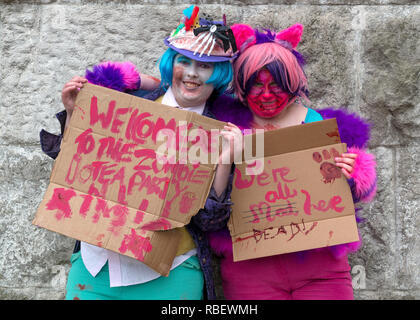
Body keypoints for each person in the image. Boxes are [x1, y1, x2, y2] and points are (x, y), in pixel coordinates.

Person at [40, 5, 240, 300]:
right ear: (172, 63)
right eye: (184, 61)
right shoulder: (131, 101)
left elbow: (210, 221)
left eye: (205, 66)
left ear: (219, 74)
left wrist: (224, 162)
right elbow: (74, 169)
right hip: (97, 267)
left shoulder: (222, 130)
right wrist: (74, 114)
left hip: (171, 272)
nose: (192, 74)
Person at [208, 23, 377, 300]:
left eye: (275, 84)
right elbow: (182, 94)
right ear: (241, 85)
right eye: (255, 85)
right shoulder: (224, 124)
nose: (265, 94)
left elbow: (358, 192)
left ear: (292, 82)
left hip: (319, 263)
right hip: (250, 267)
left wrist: (355, 174)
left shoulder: (322, 125)